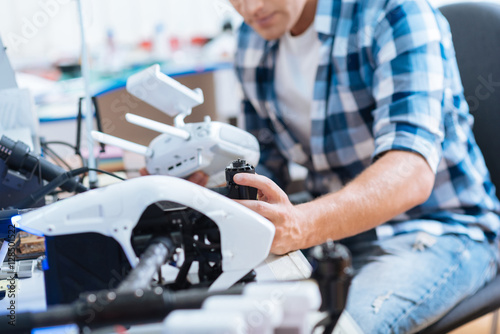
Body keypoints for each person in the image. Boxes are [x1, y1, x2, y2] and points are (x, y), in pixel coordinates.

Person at [220, 0, 500, 333]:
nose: (251, 9)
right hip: (332, 237)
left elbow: (411, 173)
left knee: (333, 329)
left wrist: (302, 224)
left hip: (437, 230)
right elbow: (263, 166)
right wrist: (194, 189)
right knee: (234, 319)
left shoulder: (395, 13)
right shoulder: (250, 42)